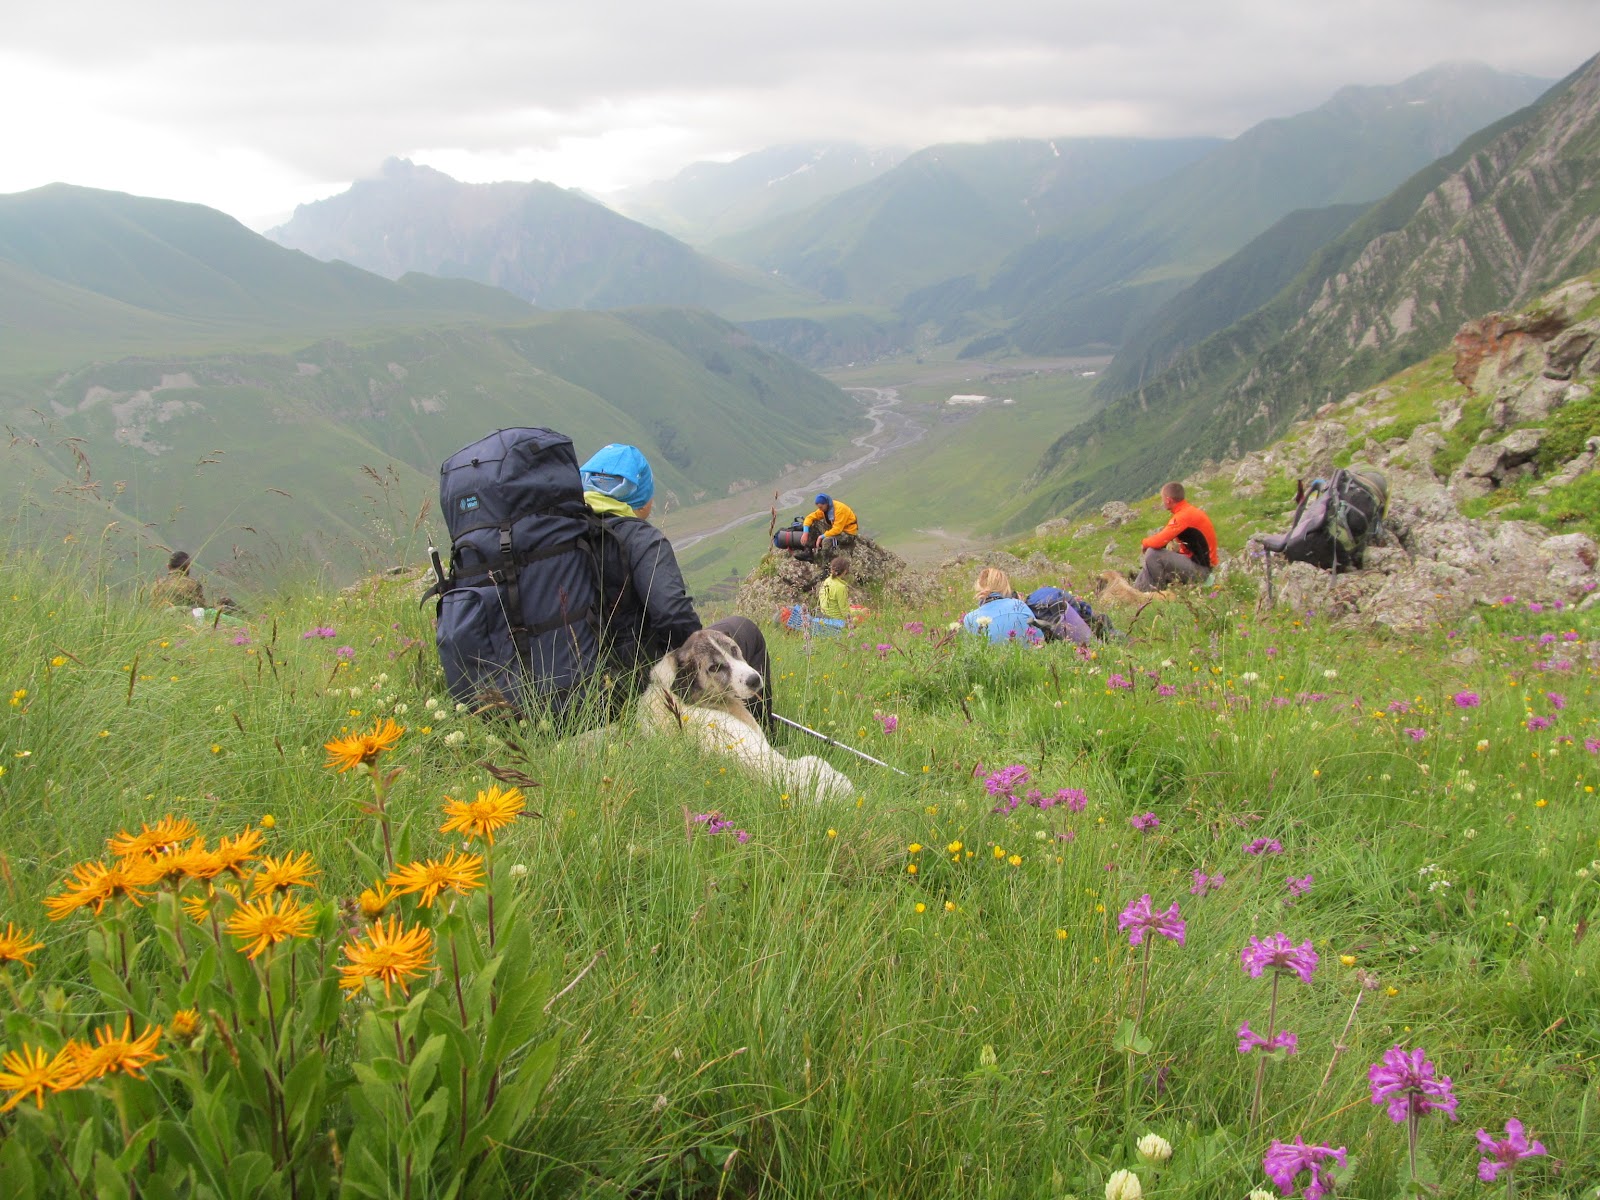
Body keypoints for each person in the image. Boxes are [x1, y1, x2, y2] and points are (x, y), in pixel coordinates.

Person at [580, 443, 773, 728]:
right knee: (746, 630)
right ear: (640, 499)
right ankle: (763, 740)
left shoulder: (560, 535)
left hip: (581, 681)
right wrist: (694, 656)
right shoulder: (641, 539)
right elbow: (671, 612)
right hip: (641, 675)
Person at [1134, 482, 1219, 592]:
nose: (1162, 501)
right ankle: (1136, 592)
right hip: (1197, 564)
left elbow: (1159, 541)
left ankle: (1158, 595)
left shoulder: (1184, 516)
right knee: (1150, 563)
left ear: (1168, 500)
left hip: (1202, 571)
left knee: (1153, 554)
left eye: (1163, 498)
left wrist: (1144, 543)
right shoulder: (1187, 511)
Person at [960, 567, 1042, 645]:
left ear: (979, 587)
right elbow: (1039, 637)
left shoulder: (970, 618)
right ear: (1005, 586)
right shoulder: (1019, 605)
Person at [817, 557, 852, 621]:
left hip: (824, 616)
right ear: (845, 571)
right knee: (862, 613)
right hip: (837, 621)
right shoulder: (841, 587)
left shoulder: (827, 580)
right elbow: (844, 611)